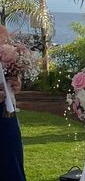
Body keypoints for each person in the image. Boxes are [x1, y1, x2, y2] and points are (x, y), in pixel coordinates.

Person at [0, 25, 26, 181]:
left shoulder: (2, 31)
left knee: (12, 165)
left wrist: (17, 82)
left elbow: (10, 70)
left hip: (6, 113)